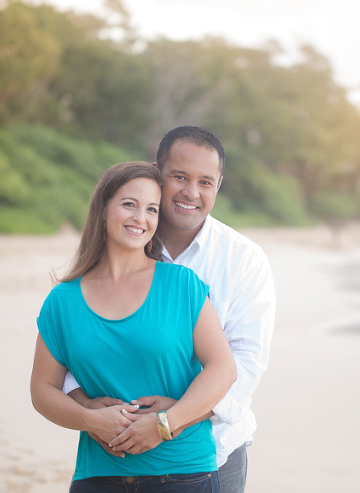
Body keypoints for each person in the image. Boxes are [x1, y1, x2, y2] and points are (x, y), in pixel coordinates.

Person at [64, 126, 276, 493]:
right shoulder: (121, 242)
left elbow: (246, 363)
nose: (191, 193)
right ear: (156, 172)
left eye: (205, 182)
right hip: (113, 456)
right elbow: (77, 339)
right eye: (180, 177)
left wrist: (170, 420)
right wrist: (89, 412)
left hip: (215, 453)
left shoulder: (243, 260)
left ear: (219, 185)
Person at [30, 161, 237, 492]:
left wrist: (164, 425)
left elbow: (223, 368)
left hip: (183, 473)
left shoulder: (181, 284)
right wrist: (90, 419)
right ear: (102, 209)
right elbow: (42, 390)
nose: (141, 218)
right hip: (98, 475)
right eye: (129, 204)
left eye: (152, 209)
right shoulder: (62, 301)